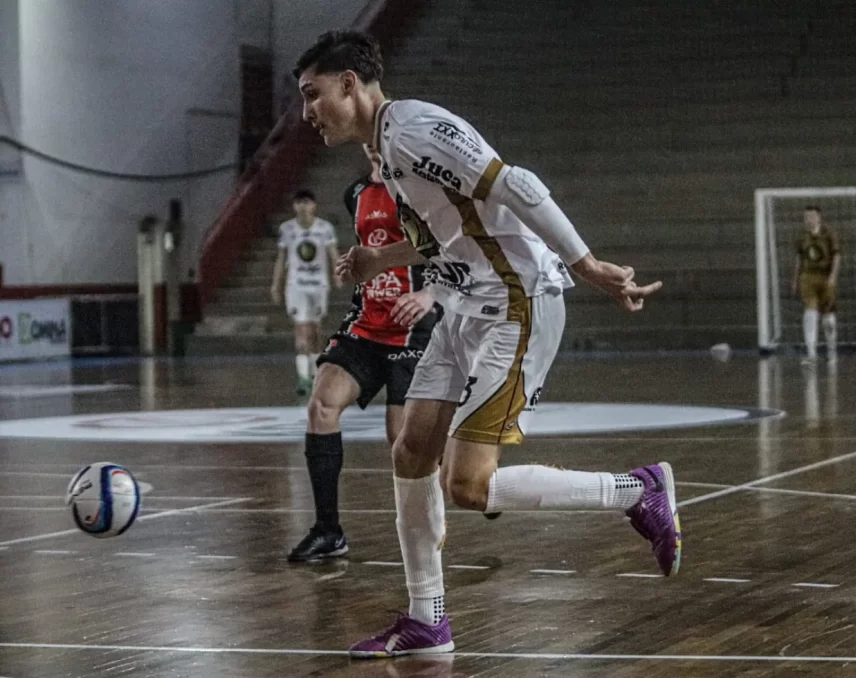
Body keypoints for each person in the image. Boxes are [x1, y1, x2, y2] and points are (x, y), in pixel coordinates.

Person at [294, 30, 676, 659]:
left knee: (468, 487)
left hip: (516, 303)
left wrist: (585, 264)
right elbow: (441, 236)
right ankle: (427, 620)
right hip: (466, 305)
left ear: (348, 83)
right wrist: (378, 258)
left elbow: (514, 183)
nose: (308, 111)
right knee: (410, 451)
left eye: (313, 94)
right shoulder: (385, 150)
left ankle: (638, 490)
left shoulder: (414, 129)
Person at [288, 146, 438, 563]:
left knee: (402, 439)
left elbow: (450, 249)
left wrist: (429, 293)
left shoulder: (420, 190)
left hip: (412, 328)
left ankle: (474, 479)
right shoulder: (355, 193)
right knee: (321, 406)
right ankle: (328, 531)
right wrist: (353, 266)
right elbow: (368, 251)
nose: (374, 142)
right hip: (366, 324)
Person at [270, 190, 341, 395]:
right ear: (294, 206)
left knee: (316, 331)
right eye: (299, 202)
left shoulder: (324, 228)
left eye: (307, 202)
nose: (303, 206)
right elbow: (281, 258)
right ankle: (303, 378)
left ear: (314, 205)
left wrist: (338, 273)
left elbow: (333, 253)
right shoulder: (287, 229)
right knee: (301, 330)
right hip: (296, 286)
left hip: (318, 285)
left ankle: (316, 374)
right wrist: (276, 284)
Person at [791, 205, 840, 362]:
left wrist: (833, 276)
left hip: (825, 277)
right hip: (808, 277)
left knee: (828, 317)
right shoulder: (802, 237)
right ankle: (811, 352)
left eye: (811, 217)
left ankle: (831, 350)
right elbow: (799, 259)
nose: (808, 220)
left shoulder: (828, 234)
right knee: (810, 314)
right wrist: (795, 279)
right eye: (806, 217)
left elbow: (836, 256)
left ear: (819, 217)